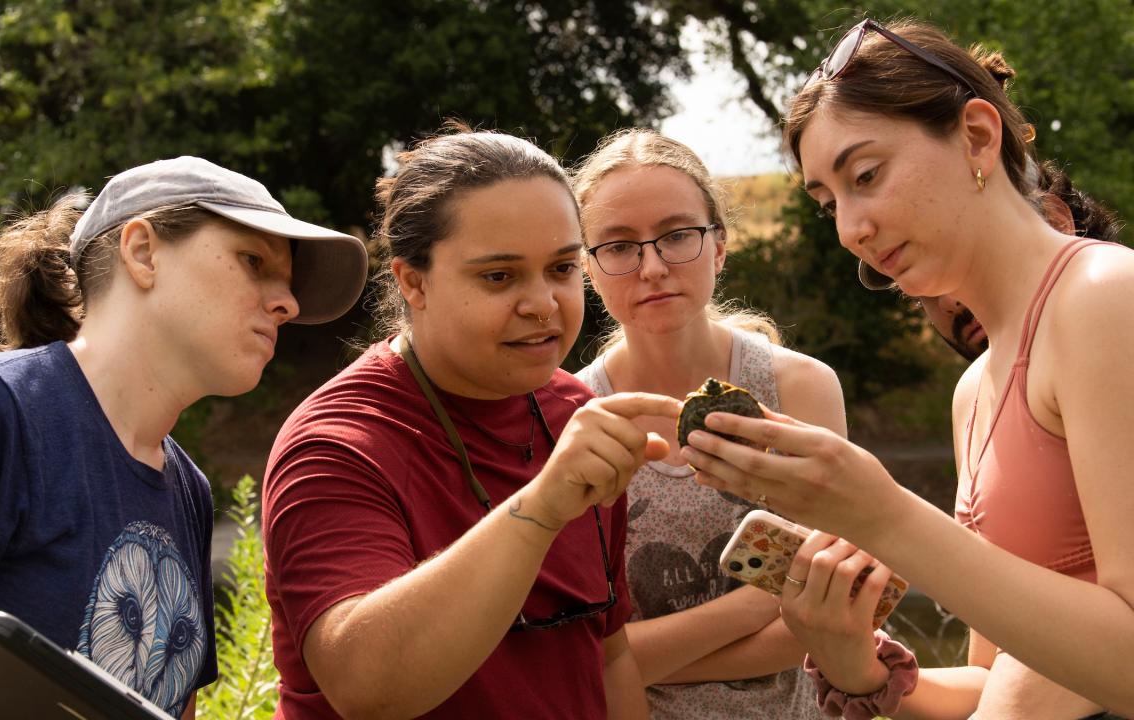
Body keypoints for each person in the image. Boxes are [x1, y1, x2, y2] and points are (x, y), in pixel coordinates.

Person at [681, 18, 1134, 719]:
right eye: (829, 202)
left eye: (867, 175)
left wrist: (883, 514)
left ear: (978, 136)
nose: (849, 228)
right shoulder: (971, 391)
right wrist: (856, 665)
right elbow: (1002, 679)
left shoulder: (1104, 297)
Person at [0, 156, 368, 719]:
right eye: (253, 262)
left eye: (288, 284)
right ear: (143, 251)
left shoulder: (188, 491)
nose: (287, 304)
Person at [262, 127, 682, 719]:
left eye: (562, 268)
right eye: (499, 277)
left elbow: (608, 656)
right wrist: (542, 507)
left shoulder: (576, 418)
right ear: (413, 282)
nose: (543, 303)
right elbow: (366, 685)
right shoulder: (337, 445)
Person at [570, 129, 846, 718]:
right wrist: (748, 611)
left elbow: (824, 622)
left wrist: (632, 658)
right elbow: (572, 653)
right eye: (618, 246)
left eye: (677, 236)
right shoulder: (571, 417)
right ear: (587, 267)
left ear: (719, 245)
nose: (652, 267)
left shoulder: (800, 389)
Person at [856, 159, 1124, 362]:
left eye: (973, 256)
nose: (950, 301)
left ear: (1056, 221)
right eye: (919, 285)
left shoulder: (1116, 307)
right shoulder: (970, 400)